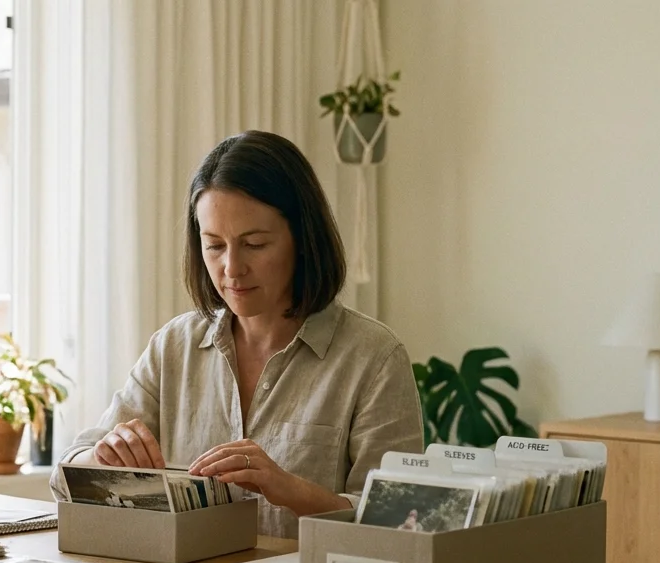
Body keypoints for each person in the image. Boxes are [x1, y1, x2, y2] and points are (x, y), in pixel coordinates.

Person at [49, 129, 424, 538]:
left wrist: (290, 490)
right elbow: (65, 475)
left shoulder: (374, 358)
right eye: (214, 246)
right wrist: (101, 457)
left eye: (255, 244)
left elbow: (400, 520)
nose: (231, 268)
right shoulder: (174, 347)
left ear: (303, 239)